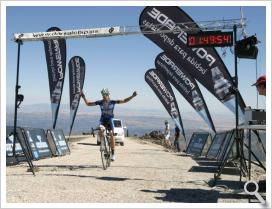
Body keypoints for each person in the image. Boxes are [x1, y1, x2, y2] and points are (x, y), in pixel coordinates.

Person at [81, 88, 137, 161]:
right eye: (103, 95)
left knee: (111, 135)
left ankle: (113, 154)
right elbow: (88, 104)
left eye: (106, 95)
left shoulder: (113, 102)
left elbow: (124, 101)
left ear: (108, 95)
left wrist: (132, 96)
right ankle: (102, 145)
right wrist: (83, 96)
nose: (104, 96)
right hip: (103, 120)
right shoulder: (100, 102)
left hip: (110, 120)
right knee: (101, 130)